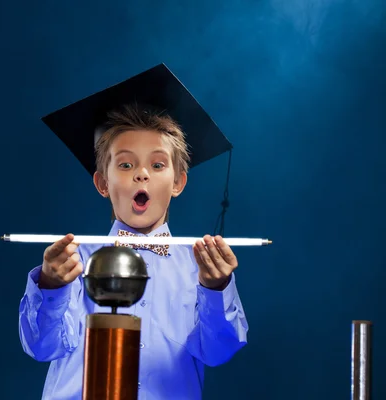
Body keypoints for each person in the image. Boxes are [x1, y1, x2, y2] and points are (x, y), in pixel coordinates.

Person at [18, 64, 249, 399]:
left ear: (178, 182)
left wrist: (216, 288)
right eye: (125, 164)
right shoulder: (72, 261)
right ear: (102, 182)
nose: (142, 174)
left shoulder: (201, 265)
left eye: (157, 165)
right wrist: (51, 286)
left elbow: (219, 351)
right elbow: (41, 347)